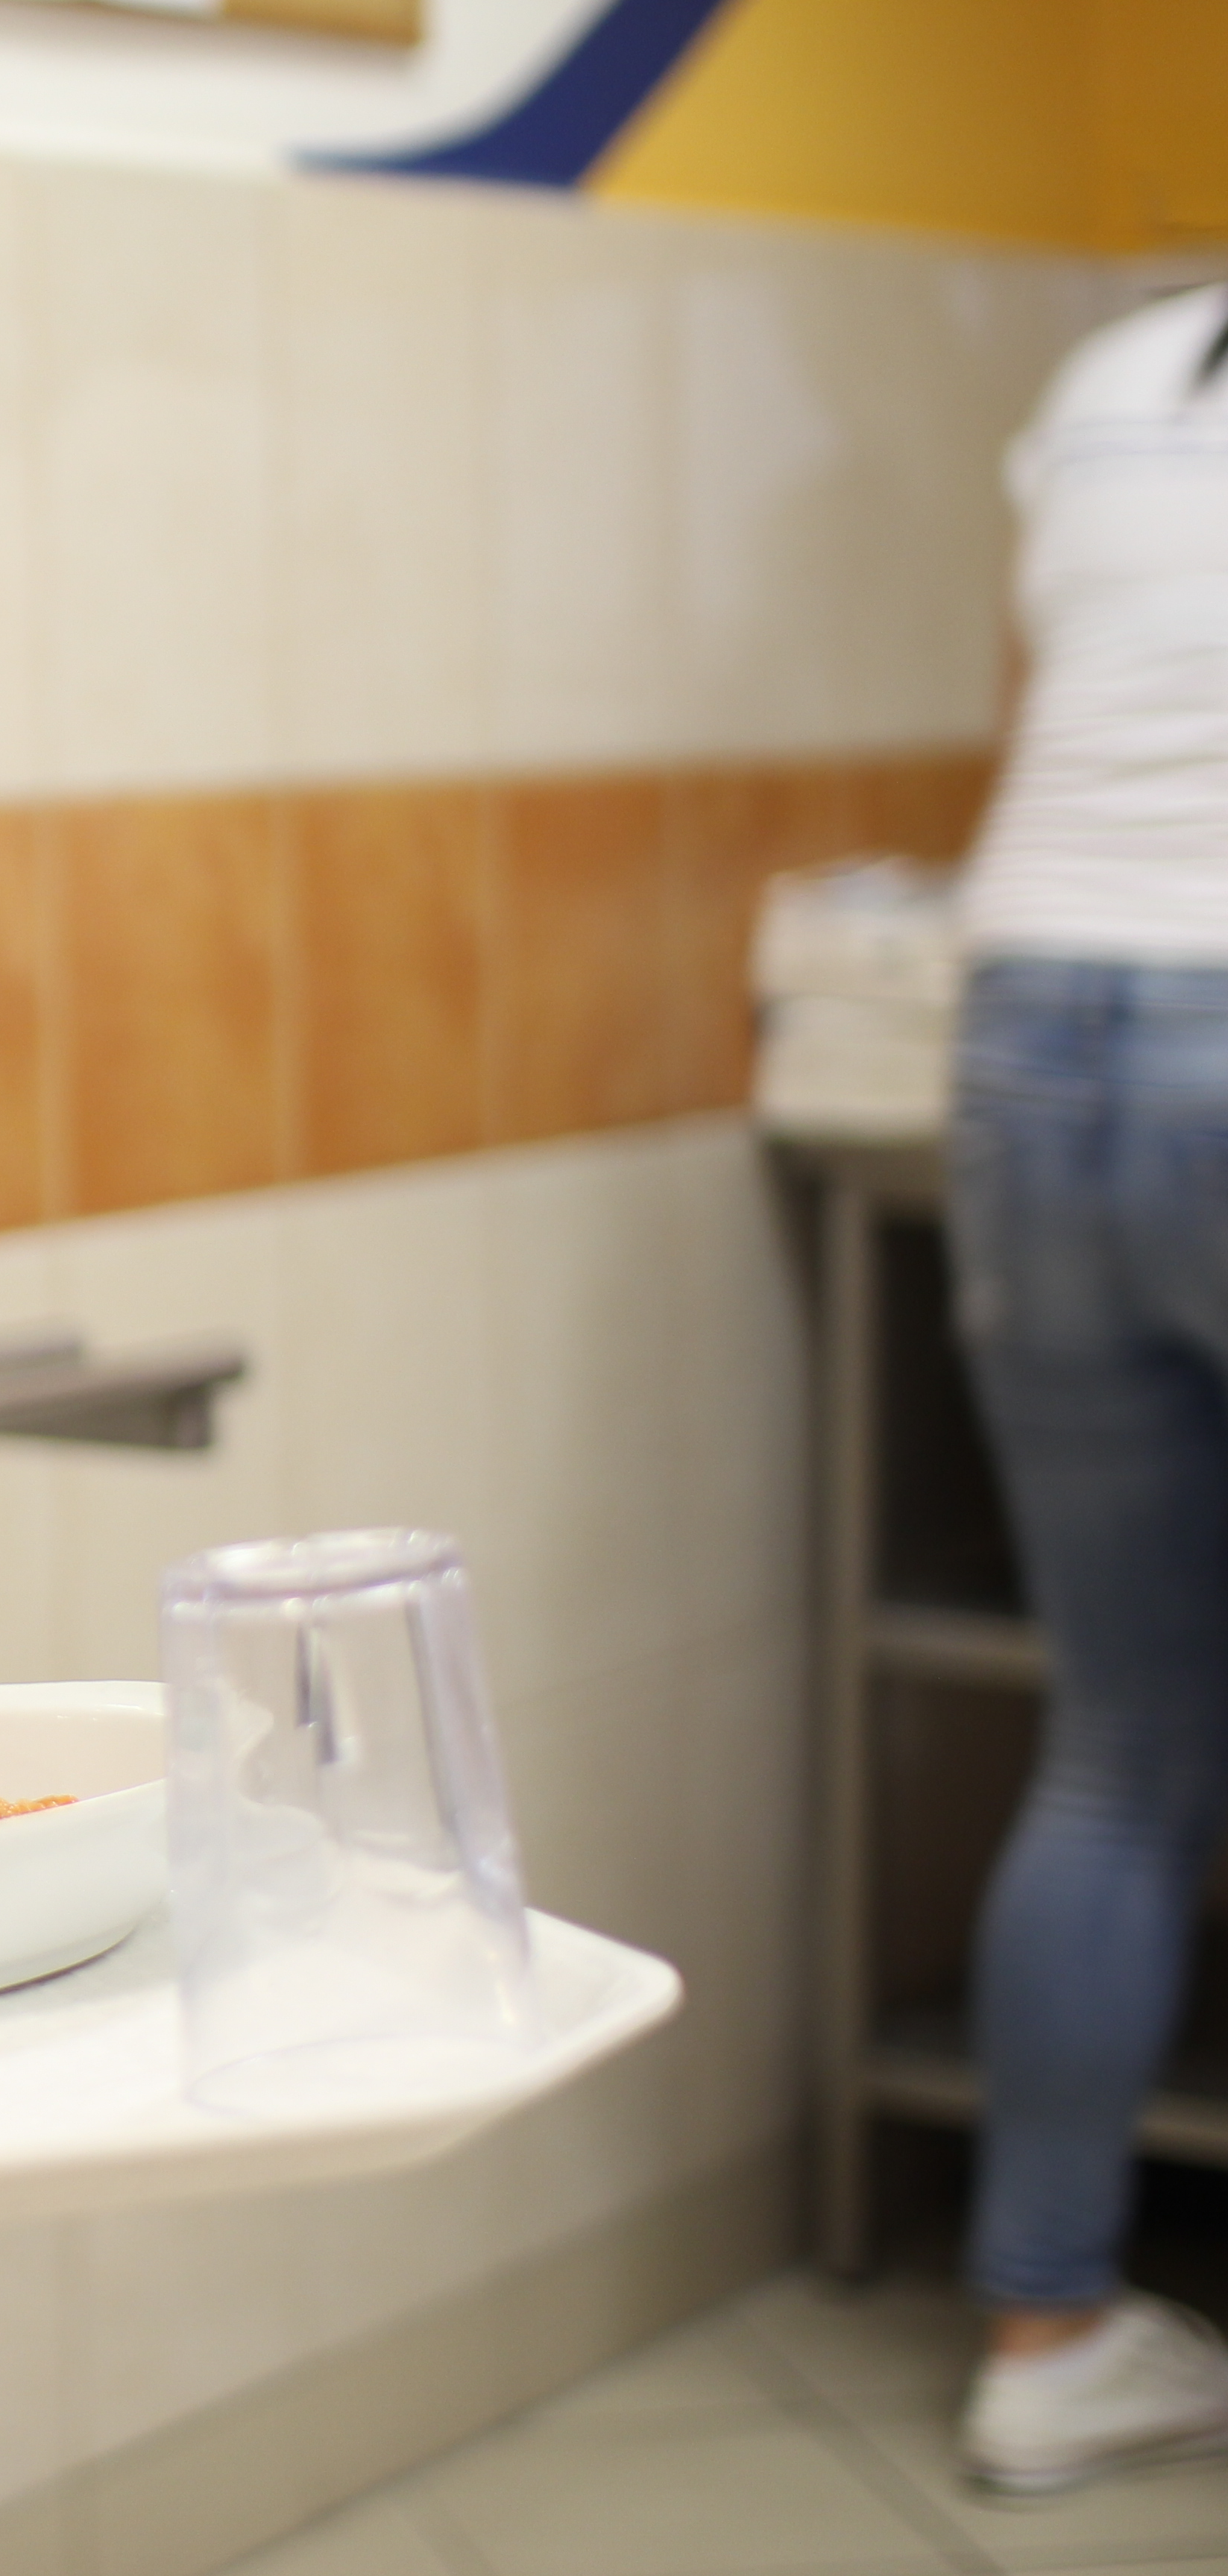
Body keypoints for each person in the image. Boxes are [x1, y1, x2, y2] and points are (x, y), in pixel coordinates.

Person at [945, 279, 1228, 2498]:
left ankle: (1046, 2340)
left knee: (1119, 1747)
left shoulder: (1116, 373)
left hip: (1031, 1034)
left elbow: (1054, 695)